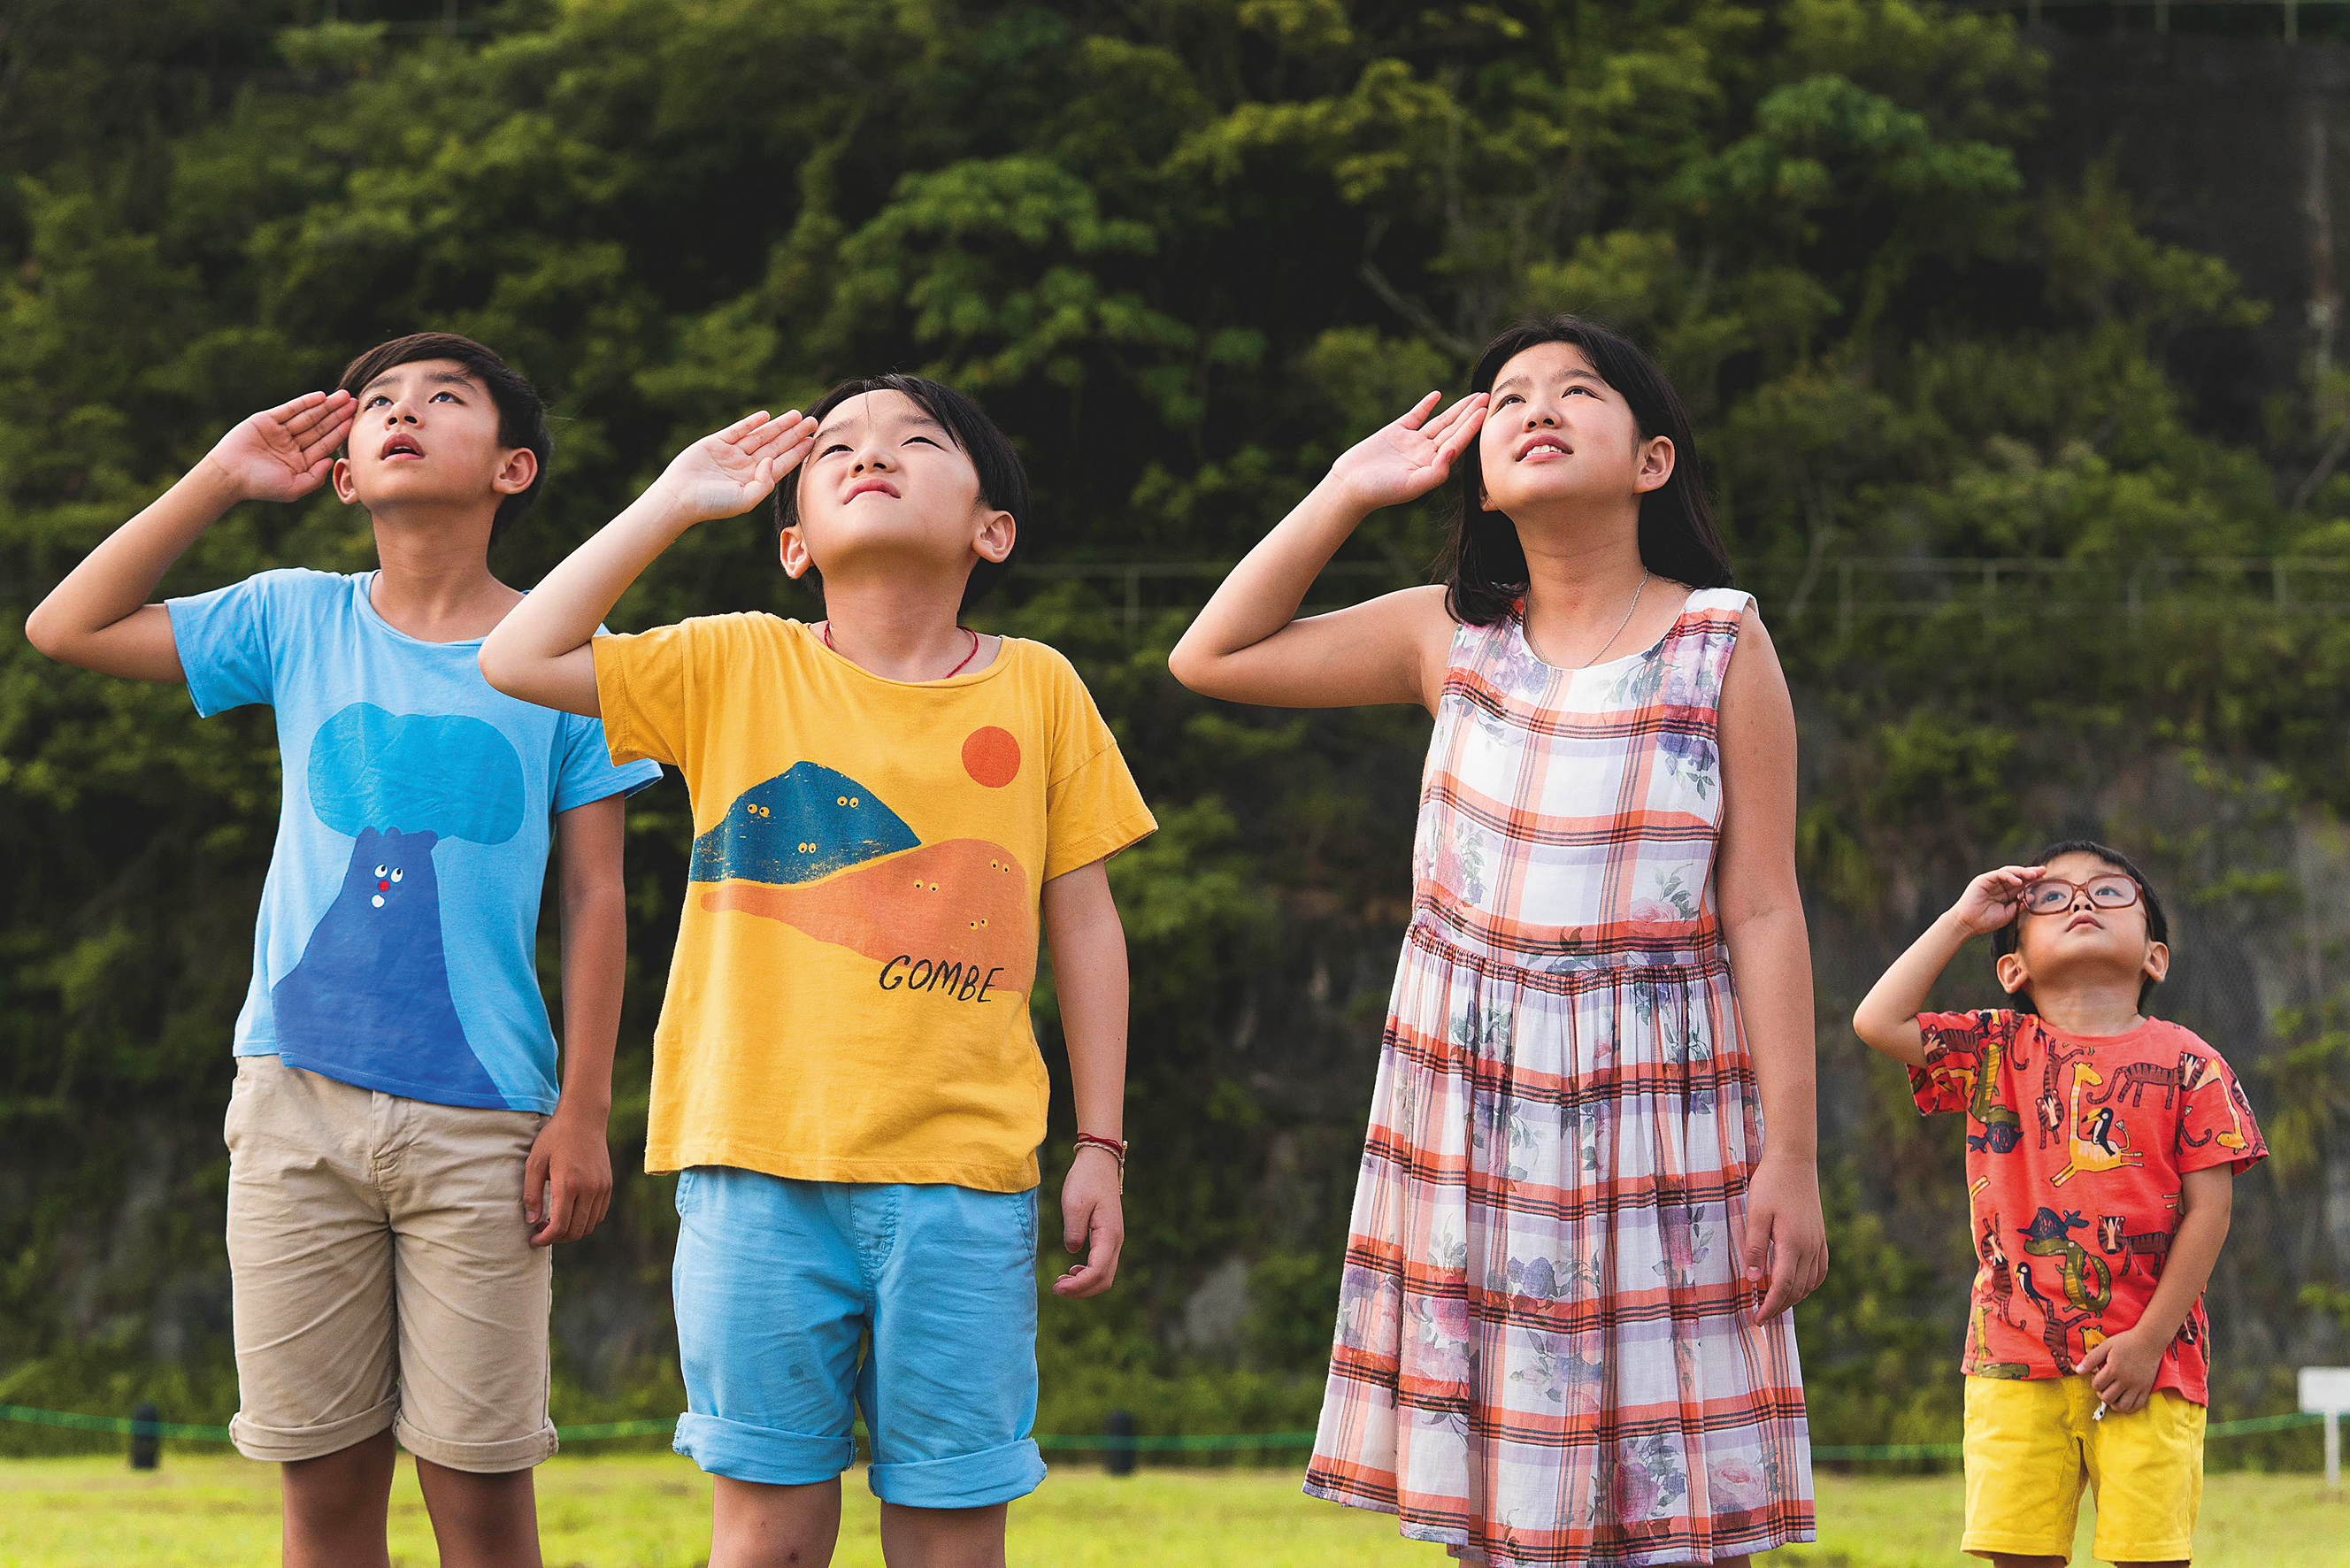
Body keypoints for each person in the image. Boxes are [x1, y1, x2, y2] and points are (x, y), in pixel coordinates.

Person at [1170, 315, 1824, 1565]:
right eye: (1509, 395)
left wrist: (1787, 1156)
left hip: (1661, 1101)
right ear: (1477, 467)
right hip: (1470, 1099)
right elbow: (1212, 654)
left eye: (1580, 391)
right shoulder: (1445, 634)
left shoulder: (1720, 637)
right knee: (1498, 1501)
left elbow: (1762, 906)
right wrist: (1347, 489)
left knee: (1677, 1499)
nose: (1537, 406)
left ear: (1654, 460)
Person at [478, 374, 1155, 1568]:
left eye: (916, 440)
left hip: (963, 1176)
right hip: (754, 1167)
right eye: (834, 445)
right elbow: (518, 654)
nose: (867, 453)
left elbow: (1087, 925)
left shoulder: (1041, 686)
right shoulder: (733, 662)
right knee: (768, 1533)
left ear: (990, 529)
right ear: (792, 544)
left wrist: (1100, 1143)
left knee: (952, 1532)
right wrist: (674, 504)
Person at [24, 332, 657, 1568]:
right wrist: (218, 477)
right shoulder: (293, 617)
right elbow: (65, 626)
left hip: (488, 1130)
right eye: (377, 405)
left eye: (444, 399)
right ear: (347, 473)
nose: (401, 413)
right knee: (321, 1502)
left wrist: (584, 1112)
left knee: (481, 1504)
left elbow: (596, 900)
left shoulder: (568, 658)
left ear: (513, 469)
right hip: (294, 1109)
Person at [1854, 842, 2265, 1567]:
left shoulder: (2192, 1062)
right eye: (2052, 898)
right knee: (2019, 1557)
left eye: (2110, 892)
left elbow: (2211, 1212)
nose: (2080, 901)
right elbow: (1877, 1022)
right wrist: (1959, 920)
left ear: (2155, 958)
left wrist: (2147, 1342)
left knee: (2152, 1558)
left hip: (2152, 1364)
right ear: (2013, 966)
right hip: (2012, 1361)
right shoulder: (1991, 1049)